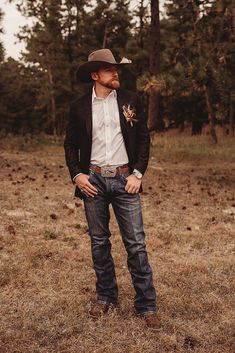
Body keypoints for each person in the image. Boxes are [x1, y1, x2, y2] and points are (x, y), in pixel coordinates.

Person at [64, 49, 161, 330]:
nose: (115, 73)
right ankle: (105, 297)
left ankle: (147, 305)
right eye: (109, 69)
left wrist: (138, 174)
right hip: (92, 181)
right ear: (95, 75)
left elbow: (143, 139)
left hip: (124, 181)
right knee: (99, 242)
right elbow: (70, 145)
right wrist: (77, 175)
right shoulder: (79, 107)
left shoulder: (131, 100)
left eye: (116, 69)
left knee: (136, 244)